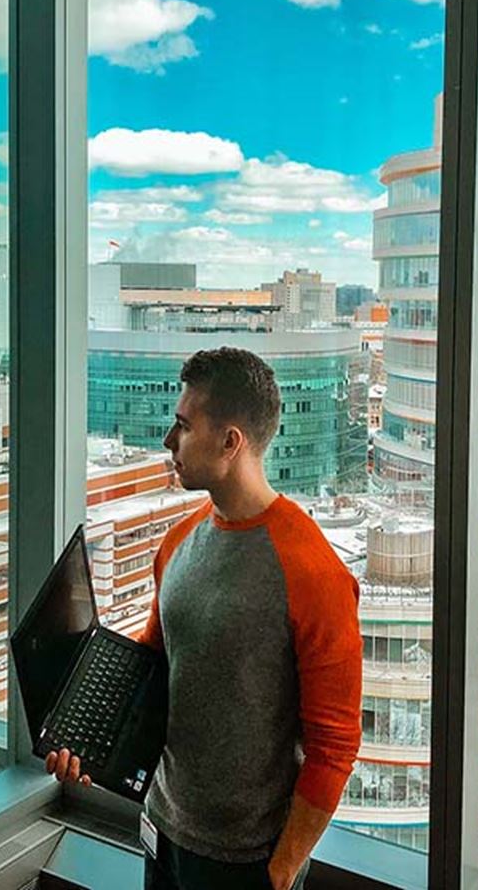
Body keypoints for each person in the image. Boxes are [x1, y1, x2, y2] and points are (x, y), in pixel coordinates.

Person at [47, 346, 363, 890]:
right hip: (163, 827)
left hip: (245, 863)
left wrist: (281, 871)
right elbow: (154, 663)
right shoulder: (178, 542)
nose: (168, 440)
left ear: (230, 442)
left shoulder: (315, 575)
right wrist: (84, 737)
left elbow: (334, 746)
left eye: (184, 425)